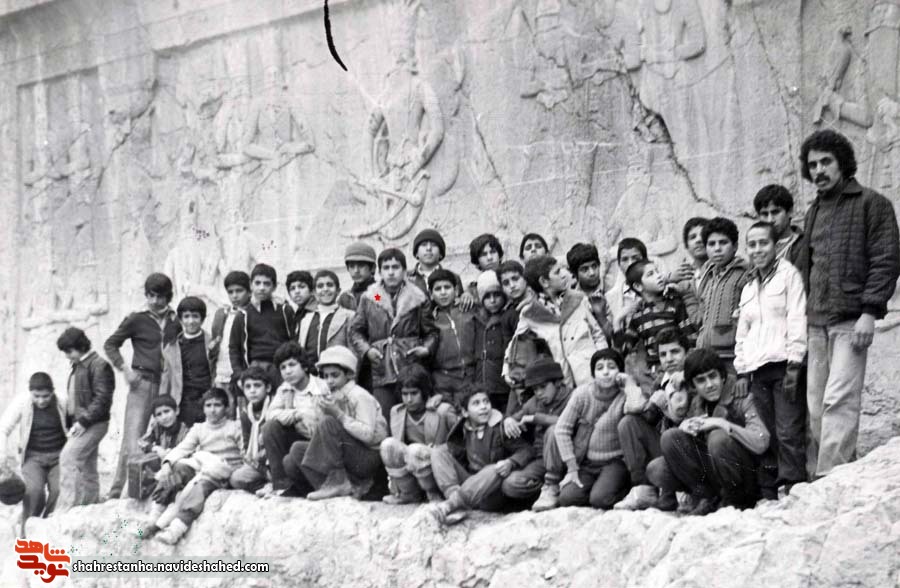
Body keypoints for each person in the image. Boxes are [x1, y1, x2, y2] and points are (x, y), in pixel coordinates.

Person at [798, 129, 900, 477]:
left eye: (826, 161)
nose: (819, 170)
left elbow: (886, 260)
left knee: (839, 400)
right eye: (813, 164)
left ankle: (829, 479)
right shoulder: (813, 211)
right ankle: (841, 473)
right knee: (816, 406)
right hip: (815, 322)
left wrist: (870, 312)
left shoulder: (873, 203)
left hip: (850, 320)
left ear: (843, 162)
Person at [735, 221, 808, 498]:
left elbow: (797, 318)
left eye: (763, 243)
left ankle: (793, 484)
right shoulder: (748, 286)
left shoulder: (789, 276)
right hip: (757, 370)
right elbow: (743, 332)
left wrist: (795, 363)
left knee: (788, 429)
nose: (757, 249)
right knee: (768, 431)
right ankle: (773, 487)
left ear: (775, 245)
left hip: (784, 366)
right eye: (752, 245)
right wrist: (742, 371)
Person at [648, 349, 769, 514]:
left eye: (713, 376)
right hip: (716, 476)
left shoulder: (741, 397)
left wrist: (721, 423)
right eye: (701, 380)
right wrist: (685, 426)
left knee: (718, 438)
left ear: (722, 376)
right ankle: (707, 498)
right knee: (662, 456)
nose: (709, 385)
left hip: (747, 478)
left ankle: (736, 502)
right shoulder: (697, 403)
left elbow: (761, 442)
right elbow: (685, 446)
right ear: (693, 386)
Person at [531, 349, 644, 511]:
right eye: (600, 368)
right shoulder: (582, 394)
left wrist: (629, 383)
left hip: (615, 462)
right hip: (587, 463)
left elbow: (636, 407)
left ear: (620, 372)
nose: (605, 372)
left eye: (611, 367)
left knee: (600, 499)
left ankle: (619, 488)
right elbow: (562, 429)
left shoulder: (624, 394)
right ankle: (595, 488)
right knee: (567, 498)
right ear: (593, 373)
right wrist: (572, 467)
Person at [104, 272, 180, 499]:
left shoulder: (176, 319)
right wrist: (125, 370)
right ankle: (120, 492)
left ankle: (151, 487)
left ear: (168, 297)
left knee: (163, 432)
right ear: (146, 295)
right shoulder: (136, 318)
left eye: (160, 296)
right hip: (142, 384)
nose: (155, 301)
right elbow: (110, 345)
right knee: (133, 436)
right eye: (151, 295)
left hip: (167, 384)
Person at [144, 388, 243, 544]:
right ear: (203, 408)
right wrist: (167, 464)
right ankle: (153, 519)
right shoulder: (199, 428)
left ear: (226, 407)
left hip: (221, 472)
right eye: (208, 405)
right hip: (202, 466)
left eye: (217, 405)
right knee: (177, 468)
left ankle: (175, 529)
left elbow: (245, 453)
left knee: (198, 488)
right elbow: (183, 448)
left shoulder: (235, 427)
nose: (213, 410)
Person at [349, 248, 438, 421]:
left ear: (404, 271)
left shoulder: (417, 297)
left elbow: (431, 332)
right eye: (386, 267)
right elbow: (356, 331)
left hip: (410, 364)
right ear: (379, 272)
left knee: (414, 416)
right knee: (384, 417)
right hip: (382, 366)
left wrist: (425, 349)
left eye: (395, 267)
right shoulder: (373, 296)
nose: (391, 272)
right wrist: (367, 351)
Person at [429, 384, 535, 525]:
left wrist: (510, 462)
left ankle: (452, 504)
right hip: (469, 485)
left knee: (495, 468)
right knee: (439, 451)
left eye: (486, 402)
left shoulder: (501, 427)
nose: (483, 407)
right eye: (476, 403)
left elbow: (527, 450)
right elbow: (453, 452)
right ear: (465, 412)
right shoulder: (462, 428)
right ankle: (455, 502)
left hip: (492, 491)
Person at [613, 328, 691, 511]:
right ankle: (644, 489)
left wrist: (665, 408)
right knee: (628, 423)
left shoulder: (693, 376)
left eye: (675, 352)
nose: (669, 359)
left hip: (688, 447)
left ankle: (682, 491)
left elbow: (693, 419)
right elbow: (650, 417)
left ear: (687, 353)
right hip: (664, 445)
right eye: (663, 354)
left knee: (672, 436)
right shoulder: (659, 382)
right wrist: (644, 405)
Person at [299, 346, 389, 500]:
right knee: (297, 450)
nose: (329, 381)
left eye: (335, 375)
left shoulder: (360, 395)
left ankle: (340, 483)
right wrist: (319, 413)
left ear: (349, 374)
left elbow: (368, 435)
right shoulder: (334, 395)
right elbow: (324, 436)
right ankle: (336, 486)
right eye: (326, 376)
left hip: (368, 456)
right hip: (349, 452)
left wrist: (338, 414)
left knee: (329, 422)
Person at [513, 254, 606, 389]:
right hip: (561, 382)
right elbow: (516, 348)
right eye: (557, 272)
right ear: (544, 282)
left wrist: (602, 362)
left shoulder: (578, 299)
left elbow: (597, 334)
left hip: (589, 373)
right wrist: (509, 373)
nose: (564, 275)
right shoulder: (529, 314)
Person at [380, 364, 457, 504]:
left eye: (414, 393)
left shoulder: (443, 411)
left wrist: (440, 450)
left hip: (436, 469)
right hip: (412, 468)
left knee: (415, 450)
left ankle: (434, 495)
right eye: (405, 394)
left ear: (424, 391)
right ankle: (408, 493)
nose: (409, 399)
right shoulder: (396, 412)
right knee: (388, 445)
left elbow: (460, 442)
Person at [55, 327, 114, 510]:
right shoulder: (79, 365)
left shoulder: (99, 365)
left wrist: (83, 422)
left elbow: (102, 400)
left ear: (81, 347)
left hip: (93, 423)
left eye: (69, 351)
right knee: (88, 466)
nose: (67, 356)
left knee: (68, 458)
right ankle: (90, 506)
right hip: (83, 423)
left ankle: (67, 508)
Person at [501, 357, 572, 505]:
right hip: (542, 459)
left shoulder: (573, 397)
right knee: (510, 484)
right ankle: (548, 490)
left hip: (569, 458)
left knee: (554, 430)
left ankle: (554, 486)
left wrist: (536, 418)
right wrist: (508, 421)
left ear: (557, 383)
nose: (539, 393)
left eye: (543, 387)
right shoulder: (534, 402)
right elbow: (515, 417)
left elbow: (569, 423)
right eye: (535, 389)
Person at [260, 342, 329, 495]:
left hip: (318, 444)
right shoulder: (284, 389)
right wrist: (297, 414)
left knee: (291, 460)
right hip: (297, 440)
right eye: (283, 367)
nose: (288, 371)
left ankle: (312, 486)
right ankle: (281, 485)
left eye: (292, 365)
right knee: (270, 427)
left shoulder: (322, 387)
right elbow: (271, 414)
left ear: (304, 366)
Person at [0, 373, 66, 519]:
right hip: (33, 458)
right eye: (36, 396)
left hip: (59, 457)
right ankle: (27, 528)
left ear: (52, 392)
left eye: (46, 396)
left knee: (59, 491)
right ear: (30, 392)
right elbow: (3, 428)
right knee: (34, 493)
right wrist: (2, 458)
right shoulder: (22, 402)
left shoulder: (62, 401)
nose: (41, 401)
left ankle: (48, 525)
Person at [617, 260, 697, 370]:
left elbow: (691, 338)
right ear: (638, 286)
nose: (659, 276)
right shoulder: (637, 315)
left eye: (657, 271)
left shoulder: (674, 304)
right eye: (651, 274)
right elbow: (624, 348)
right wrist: (617, 322)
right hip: (655, 370)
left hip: (680, 366)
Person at [696, 217, 751, 373]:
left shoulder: (745, 274)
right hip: (706, 355)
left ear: (735, 247)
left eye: (723, 243)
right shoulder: (707, 276)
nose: (717, 249)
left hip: (732, 357)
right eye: (711, 244)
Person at [229, 263, 296, 389]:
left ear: (274, 287)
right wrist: (239, 374)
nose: (262, 288)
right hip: (254, 368)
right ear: (251, 285)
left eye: (267, 284)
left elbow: (294, 340)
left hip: (281, 368)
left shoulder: (284, 310)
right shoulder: (243, 315)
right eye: (257, 283)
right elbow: (234, 348)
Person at [160, 296, 214, 426]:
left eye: (195, 316)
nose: (191, 321)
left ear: (202, 319)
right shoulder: (172, 347)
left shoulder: (211, 343)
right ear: (180, 319)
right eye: (186, 316)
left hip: (208, 399)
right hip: (184, 401)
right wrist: (162, 403)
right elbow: (166, 378)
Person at [428, 268, 475, 404]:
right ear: (431, 294)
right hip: (443, 379)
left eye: (447, 287)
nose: (443, 292)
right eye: (438, 289)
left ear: (456, 290)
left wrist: (469, 294)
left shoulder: (468, 310)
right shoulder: (429, 318)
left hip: (470, 376)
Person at [209, 270, 251, 417]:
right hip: (221, 374)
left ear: (249, 291)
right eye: (231, 292)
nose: (235, 296)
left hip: (241, 375)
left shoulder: (251, 314)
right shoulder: (221, 314)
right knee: (223, 417)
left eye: (239, 291)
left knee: (243, 417)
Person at [472, 271, 513, 410]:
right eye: (487, 297)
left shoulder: (508, 317)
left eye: (497, 295)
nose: (493, 301)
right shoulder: (477, 318)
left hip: (503, 384)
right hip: (482, 382)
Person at [229, 366, 273, 493]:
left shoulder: (274, 408)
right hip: (259, 463)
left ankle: (275, 481)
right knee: (236, 479)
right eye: (248, 387)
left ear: (268, 388)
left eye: (257, 385)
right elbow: (247, 442)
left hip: (275, 458)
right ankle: (264, 484)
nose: (252, 391)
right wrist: (252, 460)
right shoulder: (246, 414)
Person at [297, 270, 355, 365]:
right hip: (311, 371)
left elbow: (354, 352)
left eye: (330, 285)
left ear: (338, 291)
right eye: (320, 286)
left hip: (337, 370)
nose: (325, 289)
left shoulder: (349, 316)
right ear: (314, 292)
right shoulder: (306, 320)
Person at [567, 243, 614, 344]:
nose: (592, 273)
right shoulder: (571, 297)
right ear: (574, 273)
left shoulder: (612, 288)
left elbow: (617, 336)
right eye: (585, 269)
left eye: (594, 266)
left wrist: (601, 316)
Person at [753, 185, 804, 267]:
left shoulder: (804, 246)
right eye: (765, 214)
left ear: (790, 212)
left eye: (775, 212)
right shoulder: (757, 247)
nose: (770, 220)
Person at [606, 238, 649, 329]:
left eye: (635, 258)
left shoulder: (658, 288)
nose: (630, 264)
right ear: (619, 264)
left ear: (645, 261)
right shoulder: (610, 298)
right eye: (625, 259)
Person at [408, 228, 462, 295]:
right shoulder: (406, 278)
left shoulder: (453, 277)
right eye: (424, 245)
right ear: (416, 253)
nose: (428, 248)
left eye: (434, 245)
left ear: (441, 254)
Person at [338, 241, 378, 311]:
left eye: (361, 265)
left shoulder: (378, 294)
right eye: (352, 266)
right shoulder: (345, 298)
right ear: (347, 269)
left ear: (373, 268)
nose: (356, 271)